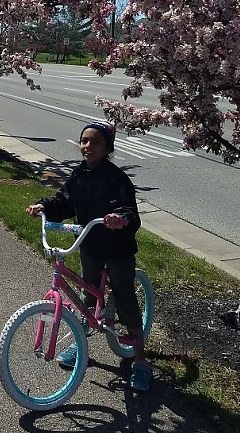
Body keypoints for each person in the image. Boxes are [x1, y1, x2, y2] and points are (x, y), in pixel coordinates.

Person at [26, 121, 152, 391]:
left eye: (96, 142)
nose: (88, 146)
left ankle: (140, 360)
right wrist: (44, 206)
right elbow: (64, 200)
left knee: (124, 296)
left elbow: (129, 210)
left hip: (118, 248)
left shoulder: (117, 178)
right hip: (90, 245)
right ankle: (80, 342)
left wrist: (121, 219)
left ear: (108, 147)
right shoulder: (78, 175)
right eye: (84, 141)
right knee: (87, 295)